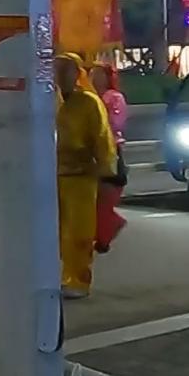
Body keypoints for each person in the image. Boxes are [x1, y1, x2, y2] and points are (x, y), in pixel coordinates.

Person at [56, 54, 117, 299]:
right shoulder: (48, 101)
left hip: (81, 177)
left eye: (66, 70)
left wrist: (106, 173)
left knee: (79, 233)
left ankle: (78, 279)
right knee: (53, 232)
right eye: (56, 69)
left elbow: (102, 140)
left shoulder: (89, 103)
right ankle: (58, 275)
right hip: (51, 176)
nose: (60, 75)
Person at [91, 63, 129, 254]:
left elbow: (115, 123)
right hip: (91, 151)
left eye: (99, 74)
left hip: (110, 150)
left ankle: (105, 234)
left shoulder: (114, 98)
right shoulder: (87, 97)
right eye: (92, 74)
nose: (94, 78)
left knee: (105, 198)